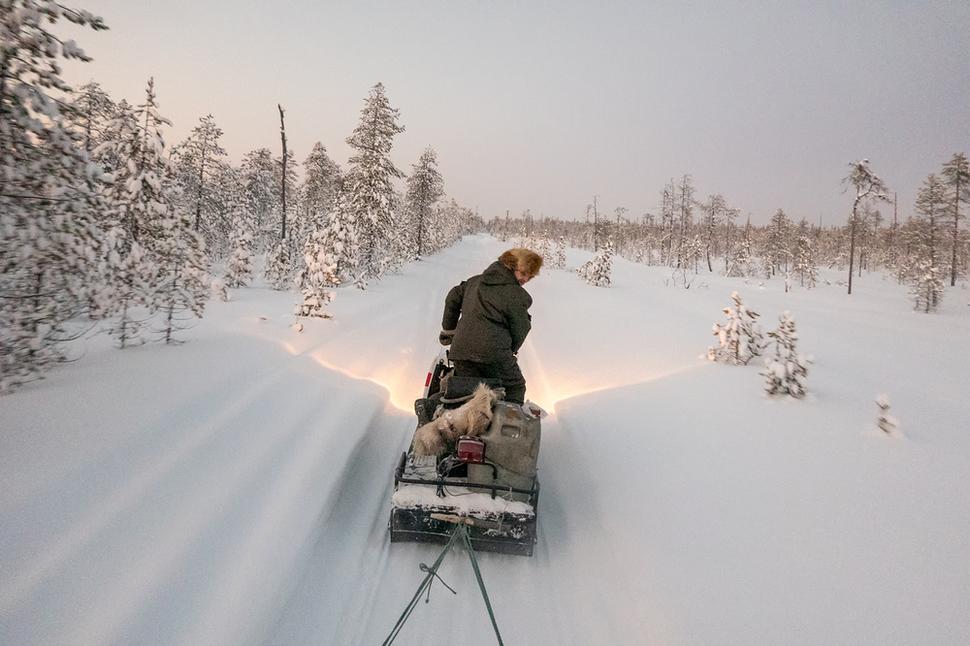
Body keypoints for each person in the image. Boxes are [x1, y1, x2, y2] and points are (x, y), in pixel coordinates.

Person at [439, 248, 542, 405]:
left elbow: (452, 297)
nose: (526, 278)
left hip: (461, 352)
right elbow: (521, 328)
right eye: (523, 273)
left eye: (530, 276)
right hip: (495, 355)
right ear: (509, 266)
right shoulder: (517, 295)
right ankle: (507, 426)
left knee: (465, 391)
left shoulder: (473, 282)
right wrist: (509, 350)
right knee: (515, 387)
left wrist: (449, 331)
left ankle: (454, 422)